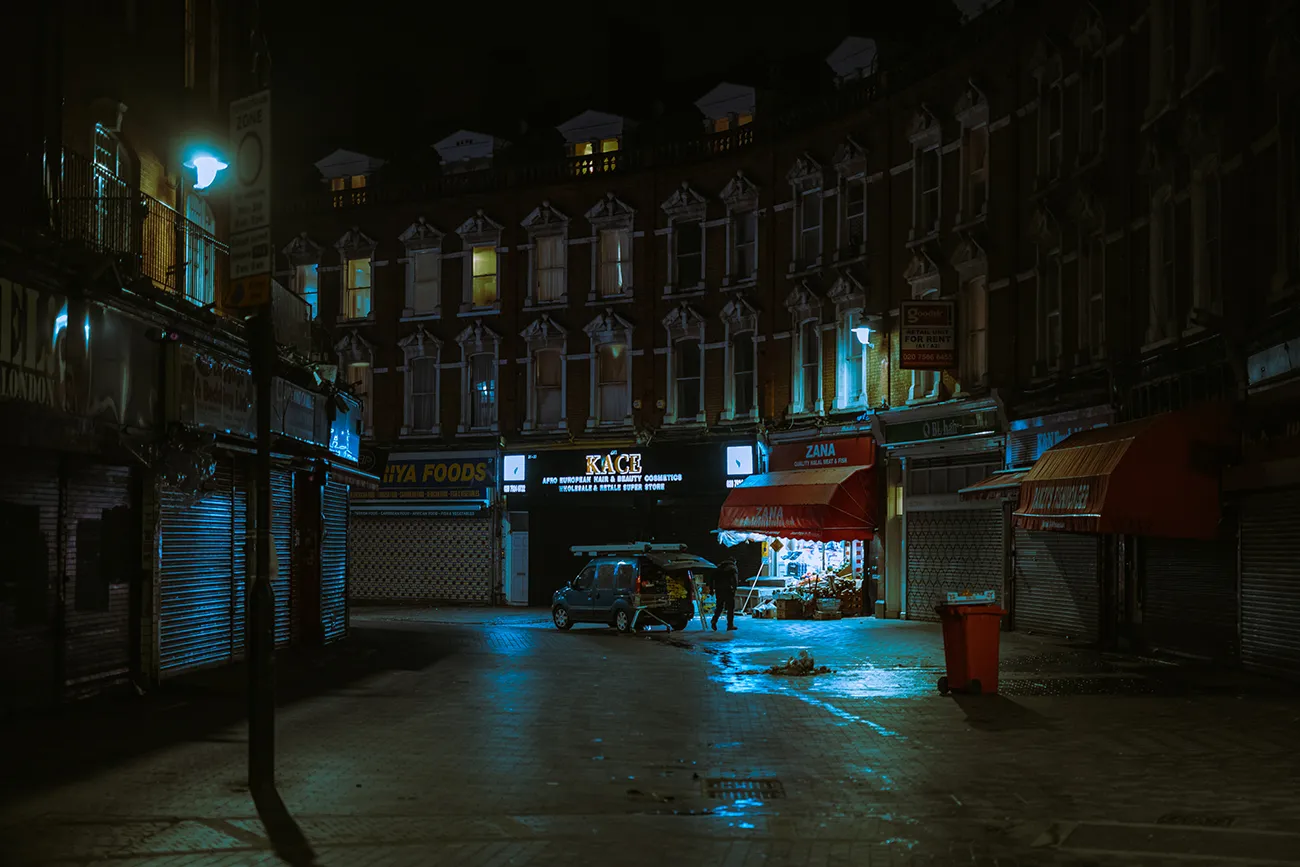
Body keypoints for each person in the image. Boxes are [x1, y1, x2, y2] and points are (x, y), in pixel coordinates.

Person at [711, 558, 739, 631]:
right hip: (728, 590)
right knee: (730, 608)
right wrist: (735, 589)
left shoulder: (718, 568)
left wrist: (712, 589)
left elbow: (712, 579)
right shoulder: (732, 568)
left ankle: (714, 620)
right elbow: (735, 580)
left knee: (719, 606)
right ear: (734, 561)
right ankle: (730, 625)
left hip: (719, 590)